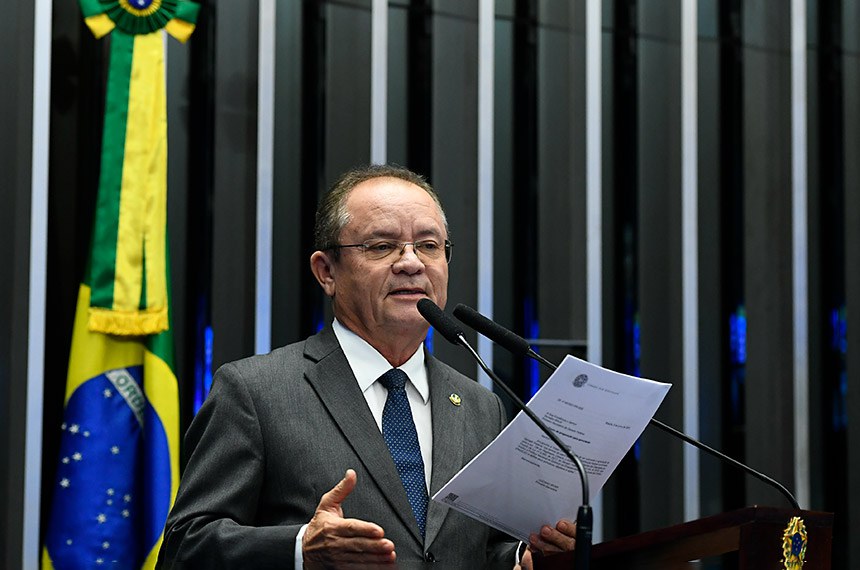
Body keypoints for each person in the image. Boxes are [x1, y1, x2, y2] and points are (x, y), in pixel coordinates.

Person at [157, 164, 576, 568]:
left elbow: (470, 550)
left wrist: (519, 558)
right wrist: (302, 548)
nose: (411, 263)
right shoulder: (256, 391)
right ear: (326, 272)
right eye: (381, 246)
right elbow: (184, 546)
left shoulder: (479, 404)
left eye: (429, 246)